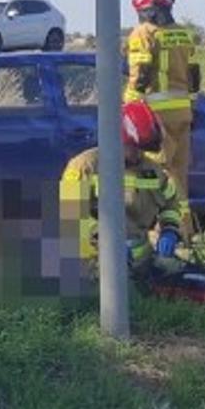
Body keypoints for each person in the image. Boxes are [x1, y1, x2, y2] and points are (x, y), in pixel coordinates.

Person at [60, 101, 186, 277]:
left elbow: (171, 204)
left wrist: (170, 230)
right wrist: (105, 239)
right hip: (92, 264)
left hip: (142, 264)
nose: (138, 155)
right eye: (133, 149)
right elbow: (69, 215)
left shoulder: (152, 171)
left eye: (142, 150)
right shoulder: (84, 166)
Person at [123, 0, 197, 220]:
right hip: (183, 115)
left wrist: (128, 108)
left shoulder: (143, 33)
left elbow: (140, 75)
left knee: (156, 176)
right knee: (179, 175)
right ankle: (184, 231)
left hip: (155, 118)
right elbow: (194, 78)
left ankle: (158, 232)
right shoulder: (183, 34)